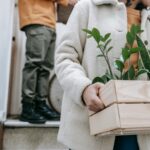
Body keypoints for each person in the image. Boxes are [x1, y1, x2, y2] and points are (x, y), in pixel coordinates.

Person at [55, 0, 150, 149]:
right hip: (90, 127)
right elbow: (65, 58)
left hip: (139, 128)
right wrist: (84, 88)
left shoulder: (147, 16)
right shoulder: (87, 7)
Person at [18, 0, 77, 124]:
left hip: (48, 22)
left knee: (45, 67)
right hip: (36, 18)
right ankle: (28, 107)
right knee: (34, 64)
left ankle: (40, 105)